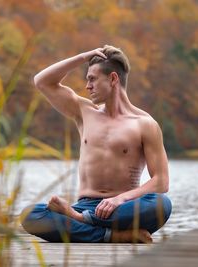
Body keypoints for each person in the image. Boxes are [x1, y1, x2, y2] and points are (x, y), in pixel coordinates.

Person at [21, 45, 172, 243]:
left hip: (122, 208)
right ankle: (110, 235)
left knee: (161, 205)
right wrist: (83, 57)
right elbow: (42, 81)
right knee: (31, 215)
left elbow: (161, 181)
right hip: (85, 205)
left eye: (92, 79)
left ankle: (80, 222)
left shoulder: (145, 124)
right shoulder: (84, 112)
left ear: (113, 79)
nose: (87, 86)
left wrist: (120, 199)